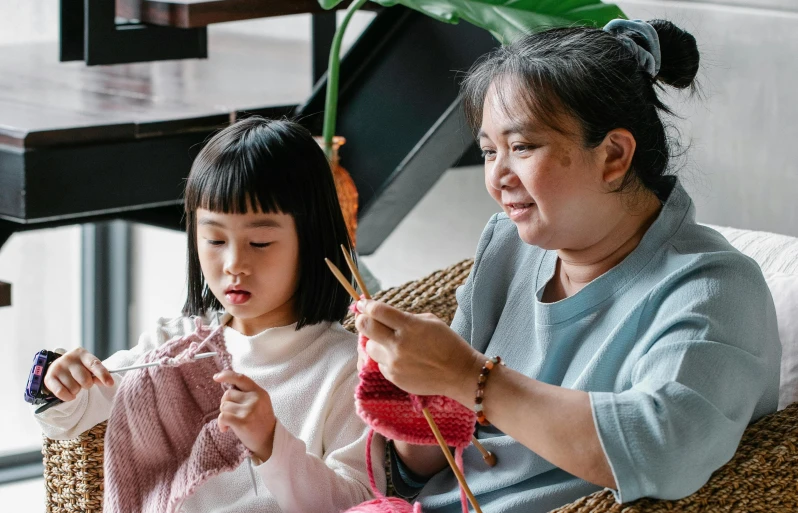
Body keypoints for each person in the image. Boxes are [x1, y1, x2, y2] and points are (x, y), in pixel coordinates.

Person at [354, 19, 782, 513]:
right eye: (489, 151)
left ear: (614, 155)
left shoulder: (713, 288)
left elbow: (665, 449)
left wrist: (469, 377)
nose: (497, 177)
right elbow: (434, 456)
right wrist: (410, 389)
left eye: (521, 147)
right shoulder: (506, 247)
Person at [34, 117, 378, 512]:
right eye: (214, 239)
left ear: (311, 237)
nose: (234, 263)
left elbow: (360, 503)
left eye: (260, 242)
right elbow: (70, 417)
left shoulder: (346, 369)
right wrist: (56, 381)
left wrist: (270, 442)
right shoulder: (174, 345)